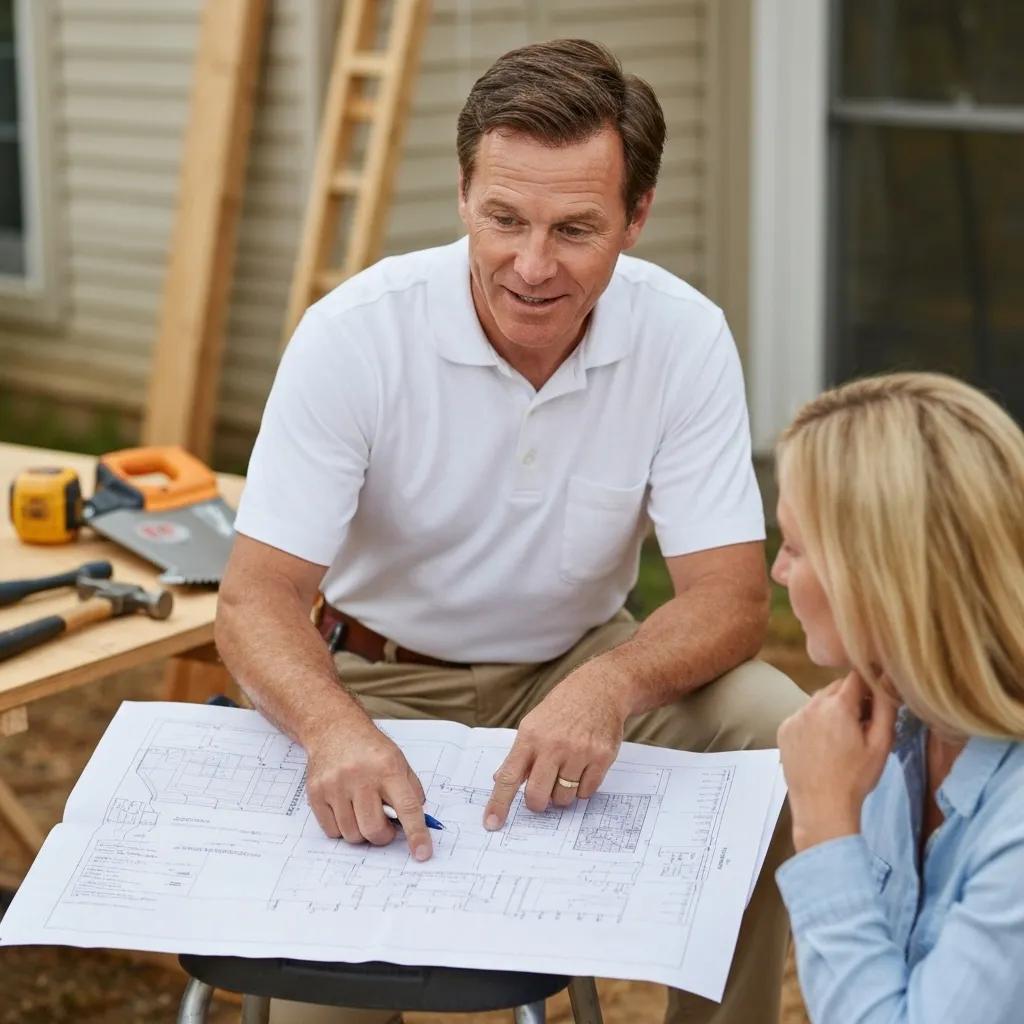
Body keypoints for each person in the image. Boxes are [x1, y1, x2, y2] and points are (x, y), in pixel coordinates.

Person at [218, 39, 805, 1024]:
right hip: (371, 677)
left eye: (576, 228)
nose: (531, 266)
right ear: (462, 195)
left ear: (637, 217)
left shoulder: (685, 335)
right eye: (504, 220)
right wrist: (330, 729)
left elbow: (731, 600)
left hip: (576, 662)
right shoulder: (353, 334)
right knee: (326, 1006)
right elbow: (253, 600)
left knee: (775, 728)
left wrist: (607, 685)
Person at [771, 372, 1024, 1023]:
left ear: (875, 579)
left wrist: (824, 826)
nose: (778, 571)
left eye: (795, 547)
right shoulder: (896, 732)